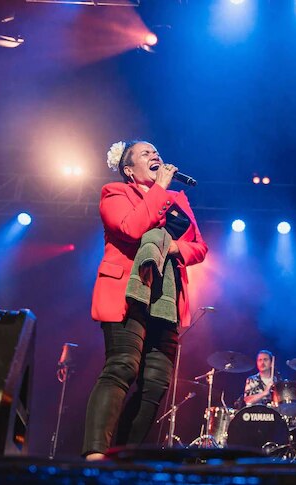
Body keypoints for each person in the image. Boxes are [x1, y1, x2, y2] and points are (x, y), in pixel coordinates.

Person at [82, 140, 208, 461]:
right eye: (145, 153)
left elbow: (199, 247)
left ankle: (122, 459)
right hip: (128, 290)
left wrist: (175, 247)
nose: (155, 156)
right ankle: (95, 456)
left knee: (156, 383)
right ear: (128, 170)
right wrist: (160, 188)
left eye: (156, 152)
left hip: (166, 299)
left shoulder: (178, 200)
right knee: (122, 367)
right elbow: (132, 228)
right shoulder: (115, 193)